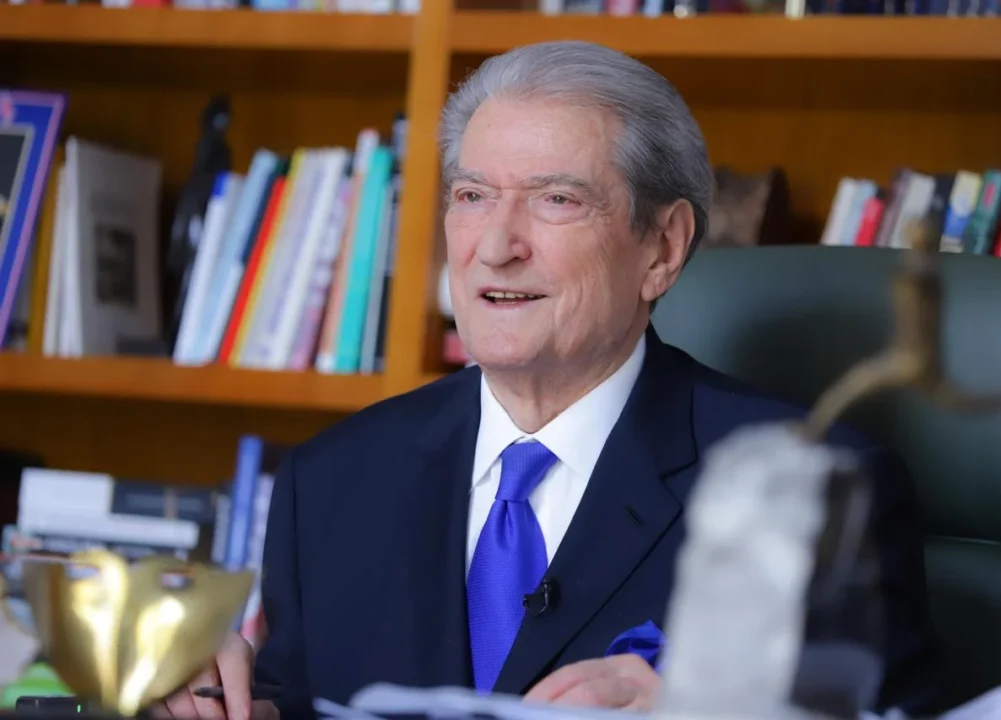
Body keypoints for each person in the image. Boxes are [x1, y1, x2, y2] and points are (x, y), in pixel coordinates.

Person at [160, 39, 940, 720]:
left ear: (663, 247)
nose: (496, 245)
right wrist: (226, 699)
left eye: (556, 199)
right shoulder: (330, 481)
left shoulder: (814, 498)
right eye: (472, 196)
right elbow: (302, 701)